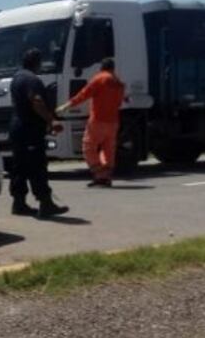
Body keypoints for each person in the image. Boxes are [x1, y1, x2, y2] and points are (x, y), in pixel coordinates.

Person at [9, 48, 69, 218]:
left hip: (17, 128)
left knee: (19, 166)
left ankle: (18, 203)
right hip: (29, 129)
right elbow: (36, 101)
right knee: (37, 165)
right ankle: (45, 203)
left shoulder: (17, 77)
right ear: (37, 63)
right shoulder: (32, 79)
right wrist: (52, 120)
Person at [57, 57, 126, 187]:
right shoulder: (119, 82)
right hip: (113, 122)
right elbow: (120, 101)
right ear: (113, 68)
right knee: (108, 150)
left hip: (98, 120)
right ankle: (107, 176)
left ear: (101, 67)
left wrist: (66, 106)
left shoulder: (99, 79)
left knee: (88, 147)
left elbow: (83, 94)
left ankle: (100, 175)